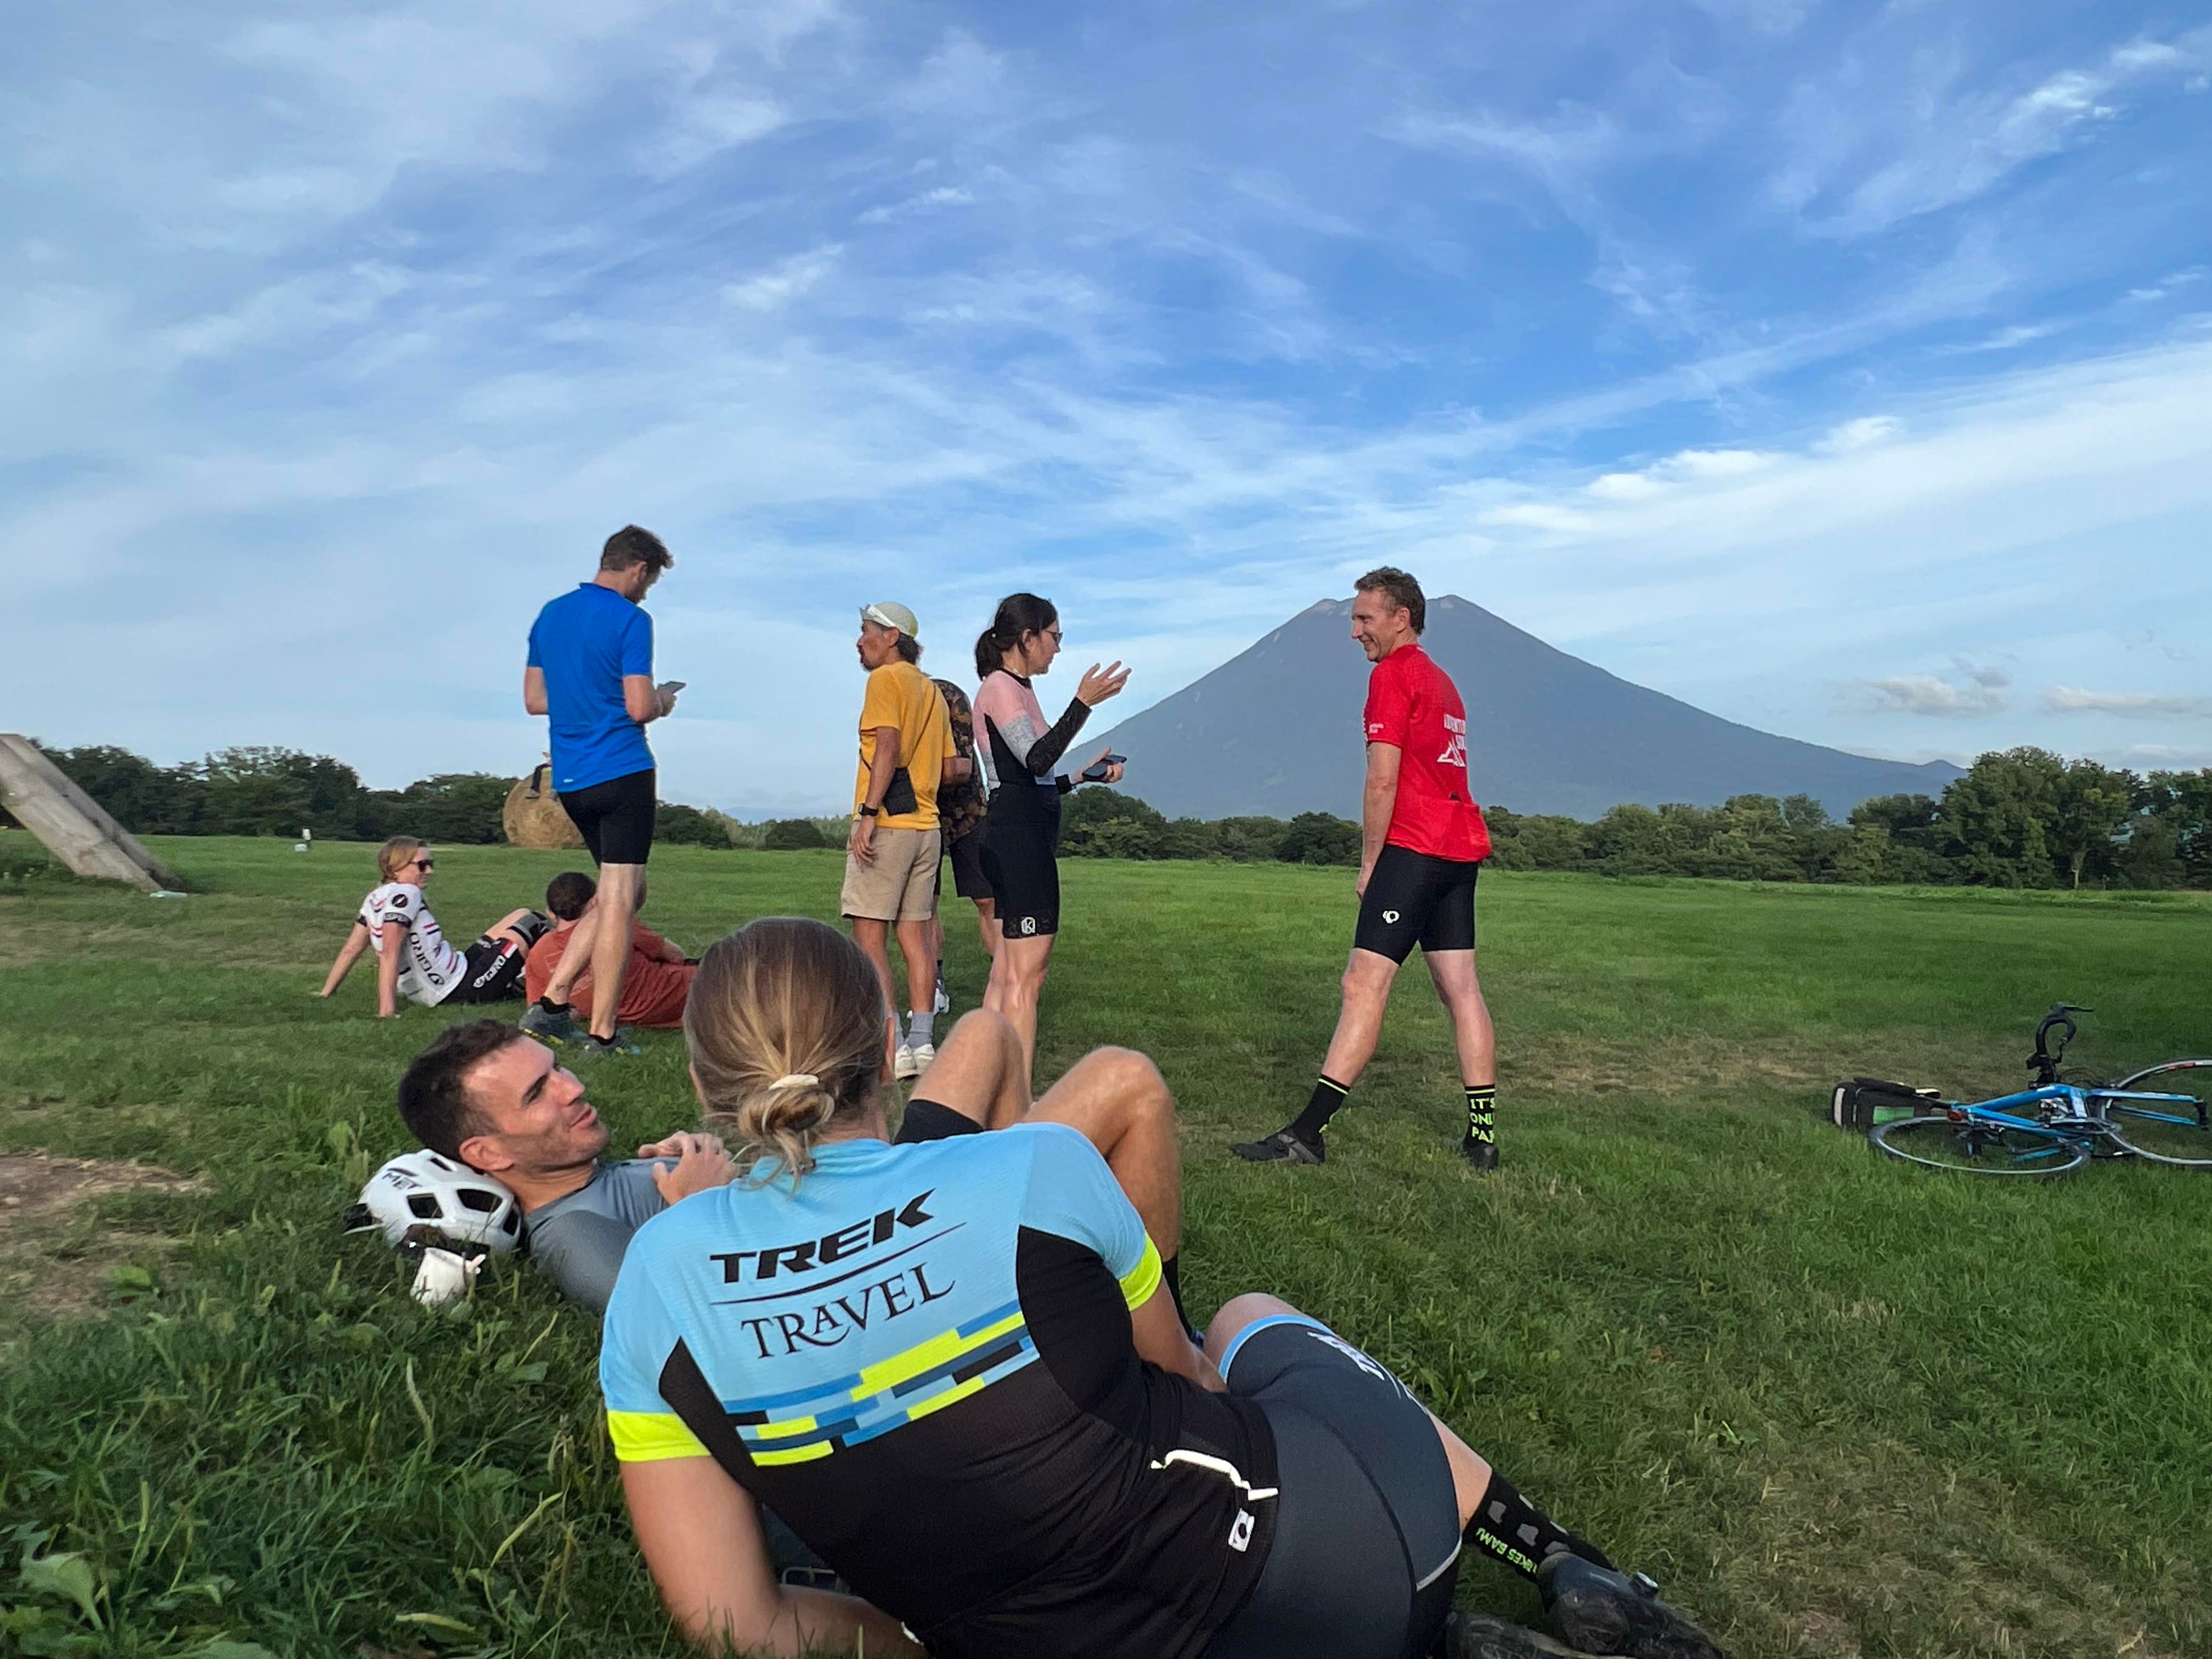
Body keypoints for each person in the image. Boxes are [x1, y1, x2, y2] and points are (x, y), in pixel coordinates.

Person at [595, 919, 1728, 1659]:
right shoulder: (1033, 1167)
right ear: (889, 1037)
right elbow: (1180, 1375)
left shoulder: (655, 1284)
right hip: (1345, 1580)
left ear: (706, 1081)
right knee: (1243, 1326)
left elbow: (734, 1623)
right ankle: (1568, 1563)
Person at [391, 1004, 1198, 1329]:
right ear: (487, 1156)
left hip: (873, 1186)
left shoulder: (604, 1181)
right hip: (889, 1239)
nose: (572, 1088)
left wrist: (712, 1165)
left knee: (987, 1029)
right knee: (1125, 1082)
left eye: (557, 1069)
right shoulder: (571, 1236)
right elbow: (686, 1328)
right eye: (538, 1094)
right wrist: (695, 1207)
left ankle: (1031, 1230)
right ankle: (1158, 1325)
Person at [1233, 567, 1500, 1169]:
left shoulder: (1393, 677)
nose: (1356, 632)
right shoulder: (1443, 682)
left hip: (1415, 847)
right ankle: (1482, 1137)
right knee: (1462, 991)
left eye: (1364, 619)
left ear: (1400, 618)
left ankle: (1307, 1133)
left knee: (1363, 984)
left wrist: (1372, 862)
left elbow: (1383, 778)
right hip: (1460, 849)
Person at [521, 524, 680, 1059]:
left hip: (570, 778)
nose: (645, 592)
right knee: (618, 899)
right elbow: (637, 707)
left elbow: (536, 699)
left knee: (628, 894)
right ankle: (603, 1033)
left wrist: (585, 695)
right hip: (622, 770)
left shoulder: (550, 615)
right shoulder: (632, 620)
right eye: (648, 582)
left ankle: (553, 1001)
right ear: (638, 570)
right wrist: (661, 699)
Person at [971, 592, 1128, 1079]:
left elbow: (1033, 776)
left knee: (1006, 975)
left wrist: (1082, 777)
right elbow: (1035, 760)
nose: (1057, 650)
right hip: (1018, 841)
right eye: (1055, 638)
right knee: (1026, 977)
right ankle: (1013, 1096)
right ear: (1027, 638)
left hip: (1019, 830)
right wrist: (1082, 704)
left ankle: (984, 1083)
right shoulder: (1000, 686)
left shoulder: (1018, 687)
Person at [843, 602, 953, 1082]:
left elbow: (886, 745)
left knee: (869, 934)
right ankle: (922, 1042)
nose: (859, 640)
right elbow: (950, 768)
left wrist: (868, 814)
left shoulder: (884, 681)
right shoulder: (932, 691)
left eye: (866, 630)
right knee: (916, 935)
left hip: (888, 824)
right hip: (927, 827)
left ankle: (887, 1045)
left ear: (891, 637)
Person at [317, 837, 544, 1016]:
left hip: (453, 973)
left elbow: (352, 949)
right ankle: (554, 990)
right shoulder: (408, 893)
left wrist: (326, 992)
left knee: (520, 914)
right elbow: (390, 951)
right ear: (396, 868)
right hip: (456, 989)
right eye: (422, 865)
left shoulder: (374, 898)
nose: (429, 871)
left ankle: (519, 980)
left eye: (430, 865)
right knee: (531, 923)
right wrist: (386, 1011)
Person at [523, 872, 697, 1032]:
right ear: (594, 903)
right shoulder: (613, 926)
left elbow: (540, 1006)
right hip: (671, 995)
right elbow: (676, 955)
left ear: (551, 913)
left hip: (620, 1013)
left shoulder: (538, 952)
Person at [928, 672, 992, 1009]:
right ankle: (934, 986)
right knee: (924, 907)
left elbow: (961, 769)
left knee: (988, 900)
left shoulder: (946, 695)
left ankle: (1006, 981)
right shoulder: (891, 698)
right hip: (923, 814)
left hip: (968, 811)